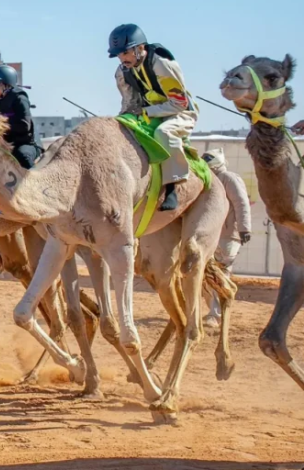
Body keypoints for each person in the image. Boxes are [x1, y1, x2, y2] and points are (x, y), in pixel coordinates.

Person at [109, 23, 197, 212]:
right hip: (148, 112)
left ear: (140, 47)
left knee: (163, 132)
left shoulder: (162, 64)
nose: (122, 58)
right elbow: (128, 103)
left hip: (179, 113)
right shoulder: (122, 72)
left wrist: (147, 112)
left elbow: (179, 103)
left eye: (125, 53)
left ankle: (172, 188)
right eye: (119, 54)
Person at [201, 148, 252, 328]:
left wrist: (245, 228)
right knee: (206, 275)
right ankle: (214, 313)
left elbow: (241, 202)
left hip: (229, 235)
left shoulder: (229, 178)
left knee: (220, 275)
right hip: (211, 236)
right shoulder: (207, 180)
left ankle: (218, 314)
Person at [0, 64, 40, 169]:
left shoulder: (19, 98)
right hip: (2, 144)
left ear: (6, 86)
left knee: (23, 156)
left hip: (23, 144)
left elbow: (24, 125)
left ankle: (38, 182)